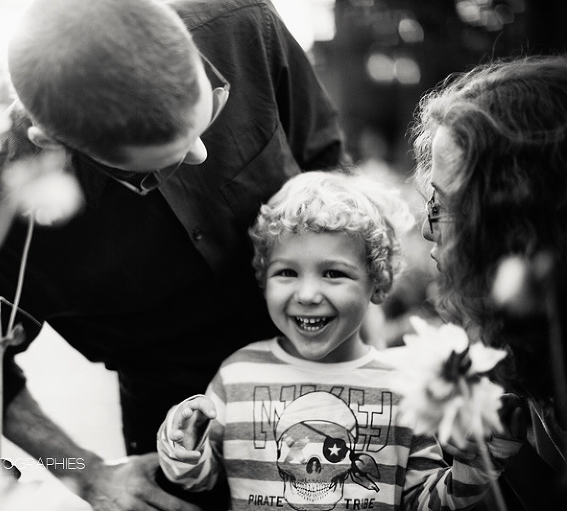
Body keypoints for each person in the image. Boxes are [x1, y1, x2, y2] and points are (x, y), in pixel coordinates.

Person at [0, 0, 345, 509]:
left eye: (209, 115)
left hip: (330, 360)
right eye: (156, 167)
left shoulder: (240, 22)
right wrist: (88, 474)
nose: (200, 155)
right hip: (174, 428)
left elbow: (326, 164)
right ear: (52, 141)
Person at [157, 170, 521, 510]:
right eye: (286, 272)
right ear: (263, 279)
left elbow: (426, 502)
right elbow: (198, 479)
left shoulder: (405, 389)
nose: (308, 293)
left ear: (377, 283)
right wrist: (184, 443)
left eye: (333, 273)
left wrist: (477, 462)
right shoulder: (237, 375)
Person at [411, 55, 567, 506]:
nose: (426, 228)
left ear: (516, 220)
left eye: (443, 204)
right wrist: (502, 454)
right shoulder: (523, 349)